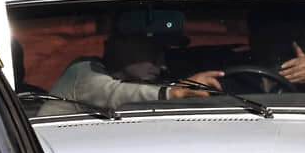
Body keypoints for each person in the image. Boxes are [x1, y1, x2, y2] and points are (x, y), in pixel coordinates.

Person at [47, 32, 223, 112]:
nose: (162, 64)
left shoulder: (151, 82)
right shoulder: (83, 70)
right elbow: (113, 93)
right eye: (154, 51)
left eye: (165, 54)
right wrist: (175, 92)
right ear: (122, 47)